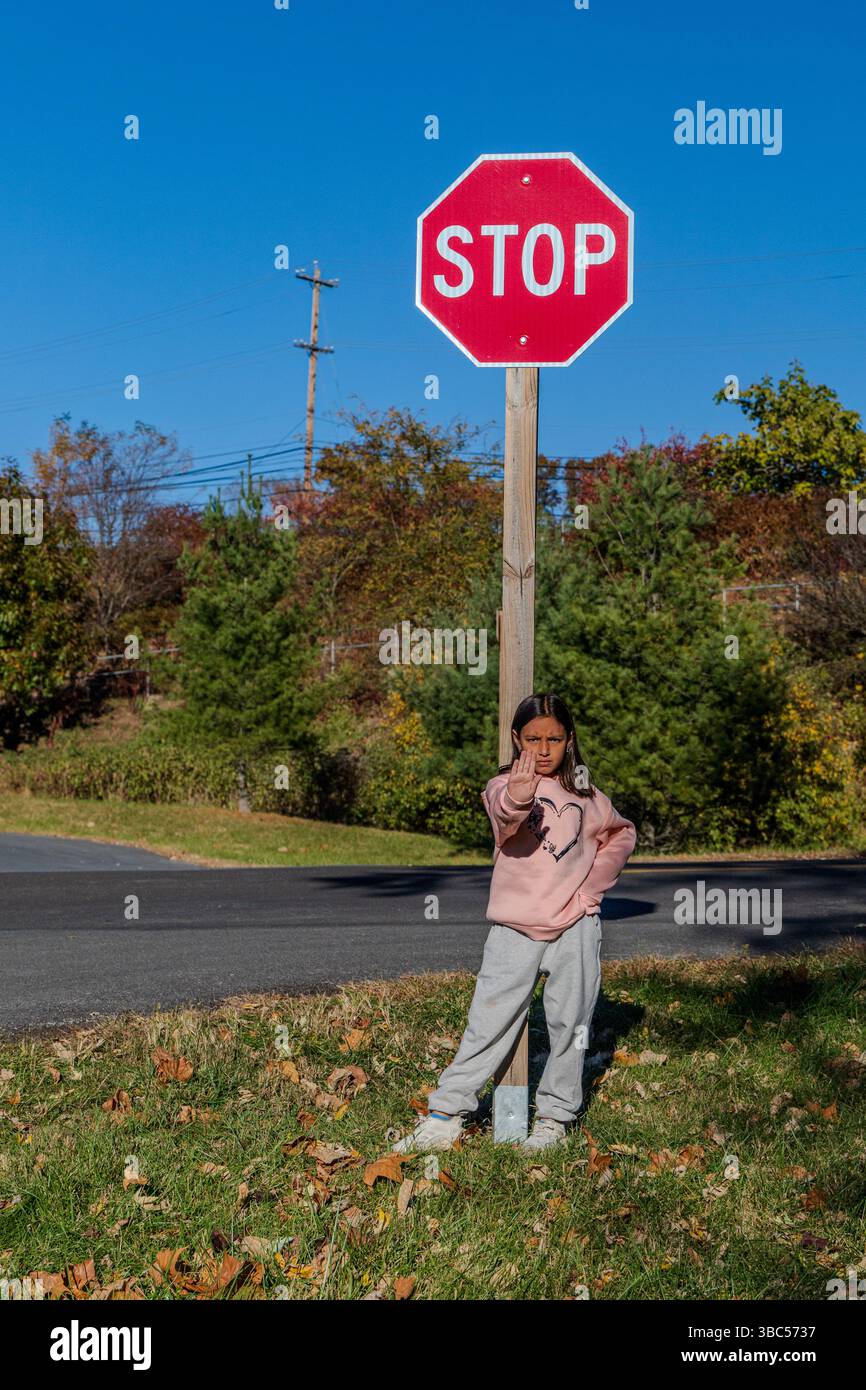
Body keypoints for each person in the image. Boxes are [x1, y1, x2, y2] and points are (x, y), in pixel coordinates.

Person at [392, 691, 636, 1155]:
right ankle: (445, 1116)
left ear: (569, 740)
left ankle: (553, 1119)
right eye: (532, 739)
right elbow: (505, 819)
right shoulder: (501, 785)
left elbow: (622, 835)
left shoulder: (588, 797)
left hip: (575, 928)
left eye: (554, 739)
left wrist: (592, 890)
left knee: (570, 1023)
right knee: (489, 1021)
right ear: (515, 738)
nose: (543, 750)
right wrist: (519, 798)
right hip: (514, 928)